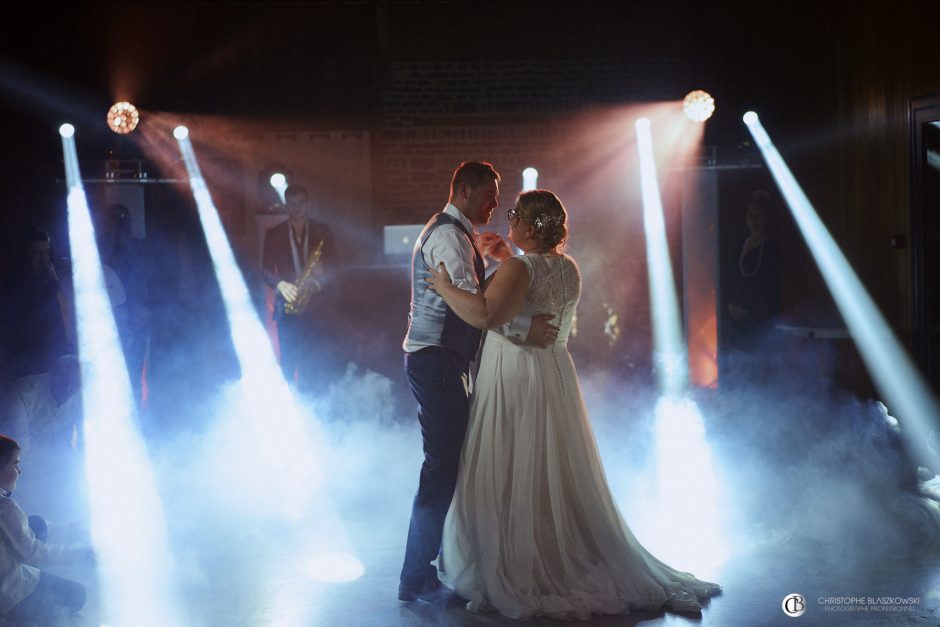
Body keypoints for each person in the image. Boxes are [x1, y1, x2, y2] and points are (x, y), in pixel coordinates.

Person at [427, 189, 721, 620]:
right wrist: (507, 262)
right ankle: (560, 547)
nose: (507, 219)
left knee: (514, 460)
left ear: (528, 227)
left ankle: (522, 559)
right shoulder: (566, 267)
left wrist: (444, 287)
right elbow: (525, 303)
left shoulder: (519, 267)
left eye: (514, 215)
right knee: (552, 466)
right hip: (553, 373)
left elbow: (488, 315)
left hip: (515, 374)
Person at [399, 162, 558, 603]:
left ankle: (433, 564)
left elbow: (478, 300)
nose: (495, 204)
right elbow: (478, 310)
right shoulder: (449, 234)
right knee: (443, 466)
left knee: (451, 462)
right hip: (436, 360)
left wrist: (494, 266)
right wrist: (525, 328)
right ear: (465, 189)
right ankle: (416, 573)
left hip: (442, 360)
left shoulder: (457, 231)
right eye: (490, 194)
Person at [0, 435, 89, 624]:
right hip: (11, 595)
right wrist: (78, 554)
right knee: (79, 594)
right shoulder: (6, 508)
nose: (19, 471)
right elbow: (35, 554)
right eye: (14, 465)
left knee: (36, 524)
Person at [261, 184, 335, 389]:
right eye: (291, 203)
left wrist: (320, 281)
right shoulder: (274, 233)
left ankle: (316, 404)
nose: (296, 208)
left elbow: (336, 268)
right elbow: (265, 271)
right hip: (288, 306)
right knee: (288, 361)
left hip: (317, 307)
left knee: (315, 363)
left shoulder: (323, 232)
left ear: (309, 204)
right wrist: (281, 284)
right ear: (285, 206)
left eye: (301, 203)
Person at [724, 189, 782, 384]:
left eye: (758, 215)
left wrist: (747, 309)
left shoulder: (771, 246)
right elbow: (730, 275)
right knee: (736, 362)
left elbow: (769, 284)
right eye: (750, 215)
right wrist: (730, 304)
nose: (753, 219)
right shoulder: (739, 242)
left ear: (767, 217)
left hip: (758, 314)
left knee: (755, 365)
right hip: (735, 312)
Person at [0, 228, 73, 381]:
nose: (43, 258)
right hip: (27, 359)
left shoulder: (51, 280)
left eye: (46, 252)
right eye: (36, 252)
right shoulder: (14, 282)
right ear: (26, 253)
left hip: (53, 354)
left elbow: (63, 312)